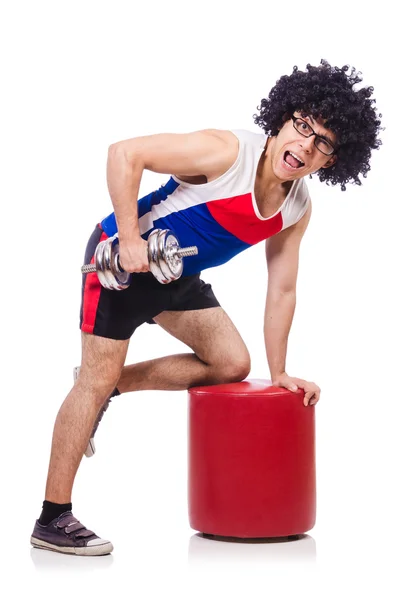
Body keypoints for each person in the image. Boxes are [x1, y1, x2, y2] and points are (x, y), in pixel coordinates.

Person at [31, 59, 382, 555]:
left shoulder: (297, 207)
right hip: (120, 264)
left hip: (177, 273)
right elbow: (124, 153)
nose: (305, 146)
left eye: (322, 142)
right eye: (303, 126)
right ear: (282, 120)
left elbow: (281, 289)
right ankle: (52, 518)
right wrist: (130, 239)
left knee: (231, 364)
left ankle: (114, 386)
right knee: (93, 378)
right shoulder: (229, 152)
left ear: (332, 160)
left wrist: (279, 372)